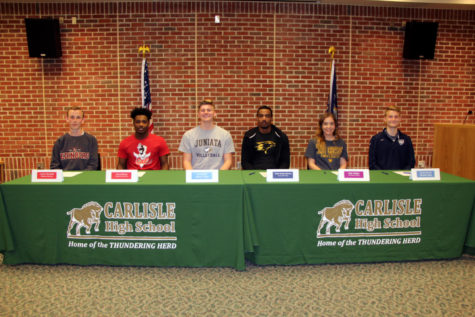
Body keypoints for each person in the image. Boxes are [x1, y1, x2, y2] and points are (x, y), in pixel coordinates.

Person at [179, 99, 235, 170]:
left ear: (214, 113)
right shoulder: (188, 135)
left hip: (218, 177)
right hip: (196, 177)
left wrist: (218, 175)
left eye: (209, 110)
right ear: (198, 114)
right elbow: (186, 161)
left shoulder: (225, 135)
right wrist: (193, 176)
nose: (206, 112)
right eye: (202, 110)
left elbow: (228, 161)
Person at [50, 106, 99, 170]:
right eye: (72, 117)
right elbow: (54, 165)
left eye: (78, 117)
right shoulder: (60, 142)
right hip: (65, 179)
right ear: (67, 119)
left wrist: (81, 177)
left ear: (83, 120)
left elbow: (93, 165)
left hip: (85, 178)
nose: (75, 120)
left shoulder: (91, 140)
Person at [369, 105, 415, 170]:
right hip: (382, 178)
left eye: (396, 117)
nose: (393, 119)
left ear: (400, 119)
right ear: (385, 119)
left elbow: (411, 162)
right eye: (390, 117)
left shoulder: (407, 140)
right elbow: (372, 164)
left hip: (401, 178)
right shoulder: (376, 139)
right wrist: (385, 175)